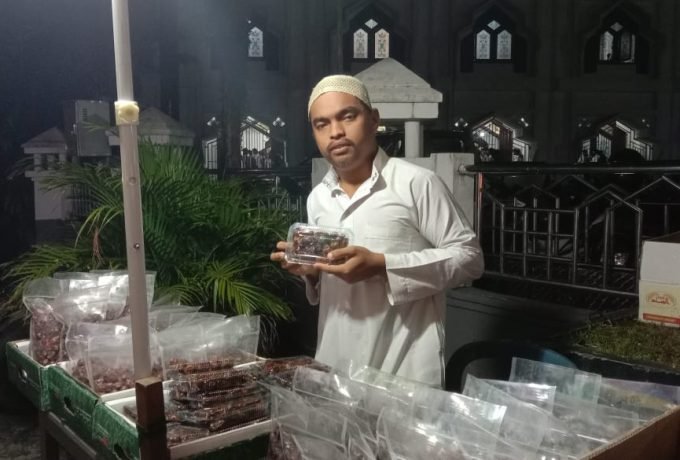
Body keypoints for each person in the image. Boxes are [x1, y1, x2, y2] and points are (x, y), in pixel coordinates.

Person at [270, 75, 484, 387]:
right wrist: (312, 272)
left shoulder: (416, 183)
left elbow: (469, 258)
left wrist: (382, 266)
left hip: (402, 368)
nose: (336, 132)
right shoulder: (318, 198)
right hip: (336, 363)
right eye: (322, 124)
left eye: (347, 116)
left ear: (373, 120)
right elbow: (330, 277)